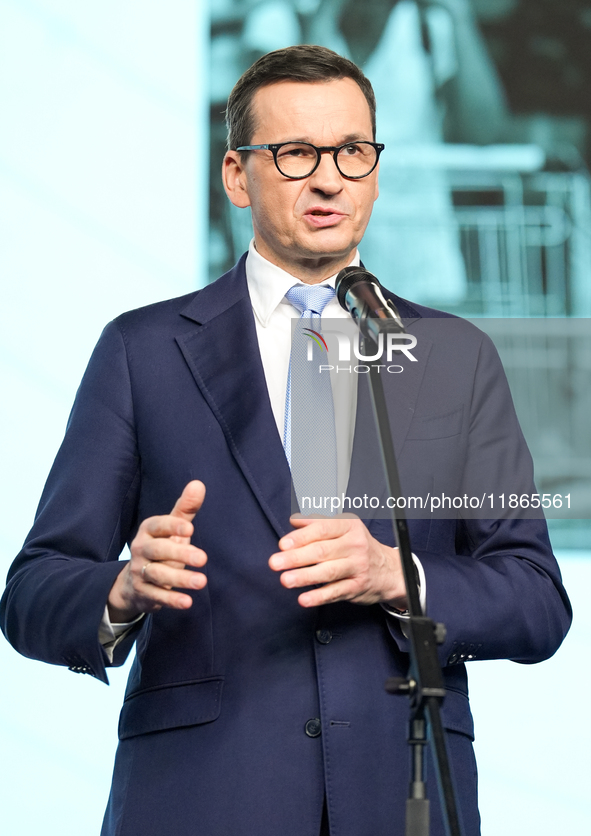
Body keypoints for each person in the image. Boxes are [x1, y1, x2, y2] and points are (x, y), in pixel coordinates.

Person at [1, 45, 571, 836]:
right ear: (237, 175)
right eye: (296, 152)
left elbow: (536, 599)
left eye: (352, 151)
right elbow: (31, 592)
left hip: (400, 791)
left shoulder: (454, 354)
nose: (330, 178)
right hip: (203, 798)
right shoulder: (143, 349)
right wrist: (123, 589)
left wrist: (393, 573)